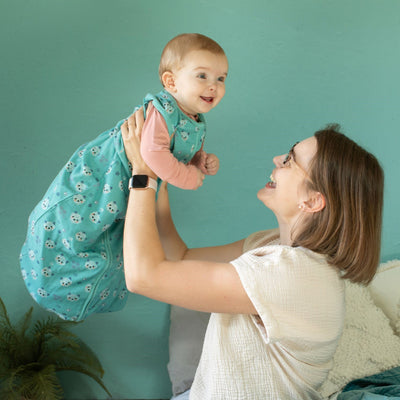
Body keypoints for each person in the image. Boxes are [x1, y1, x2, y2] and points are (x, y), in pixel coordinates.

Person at [121, 111, 384, 399]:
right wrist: (160, 173)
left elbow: (143, 277)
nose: (276, 159)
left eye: (289, 160)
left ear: (312, 200)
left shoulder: (295, 275)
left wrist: (142, 173)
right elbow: (180, 257)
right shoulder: (270, 245)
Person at [19, 33, 228, 321]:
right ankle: (49, 259)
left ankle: (80, 288)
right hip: (104, 173)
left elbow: (180, 153)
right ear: (171, 82)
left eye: (221, 79)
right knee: (78, 217)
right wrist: (189, 178)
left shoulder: (194, 119)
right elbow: (153, 154)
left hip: (131, 182)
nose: (213, 86)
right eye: (202, 76)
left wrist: (200, 161)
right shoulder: (162, 109)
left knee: (113, 241)